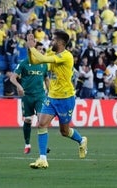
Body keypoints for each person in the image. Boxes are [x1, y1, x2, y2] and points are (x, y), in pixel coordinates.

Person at [26, 30, 88, 169]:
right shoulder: (51, 52)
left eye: (53, 40)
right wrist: (30, 50)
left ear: (60, 43)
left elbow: (41, 59)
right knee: (41, 124)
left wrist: (32, 47)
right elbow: (35, 61)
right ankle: (43, 159)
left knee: (64, 132)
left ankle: (81, 140)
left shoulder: (67, 56)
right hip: (52, 97)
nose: (51, 42)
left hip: (66, 98)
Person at [10, 42, 49, 154]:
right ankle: (27, 144)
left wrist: (50, 92)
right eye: (39, 49)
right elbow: (13, 78)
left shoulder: (44, 64)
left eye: (42, 50)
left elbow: (46, 79)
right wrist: (19, 86)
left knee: (42, 120)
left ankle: (43, 146)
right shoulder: (24, 63)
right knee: (28, 120)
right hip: (27, 96)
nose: (41, 52)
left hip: (40, 96)